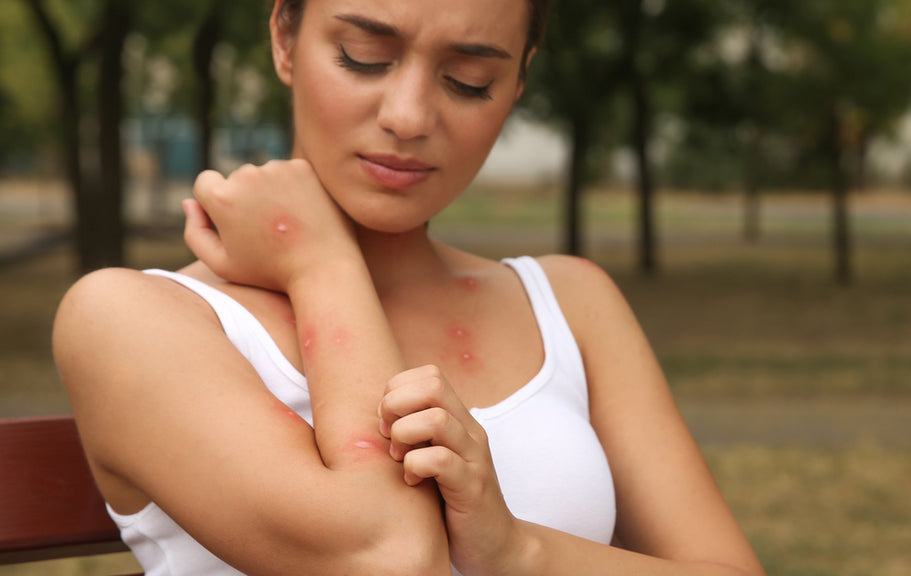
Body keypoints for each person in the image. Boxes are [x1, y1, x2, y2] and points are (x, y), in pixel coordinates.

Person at [53, 0, 766, 574]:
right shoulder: (131, 320)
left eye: (469, 80)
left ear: (519, 80)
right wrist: (321, 265)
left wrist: (518, 551)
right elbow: (391, 556)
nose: (409, 116)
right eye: (364, 57)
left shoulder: (571, 304)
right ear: (284, 37)